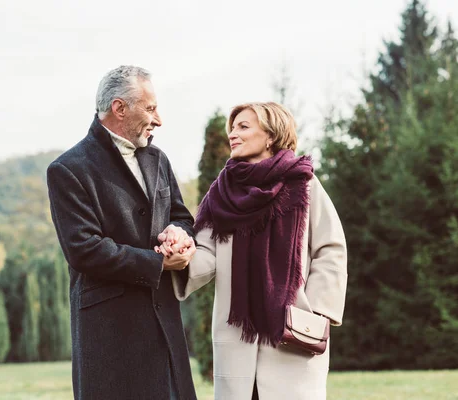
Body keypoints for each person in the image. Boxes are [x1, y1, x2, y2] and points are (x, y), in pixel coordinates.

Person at [160, 102, 347, 400]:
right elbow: (206, 252)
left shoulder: (304, 184)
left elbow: (331, 249)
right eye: (232, 128)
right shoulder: (221, 192)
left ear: (271, 134)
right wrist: (179, 258)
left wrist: (317, 311)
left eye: (243, 127)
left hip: (293, 334)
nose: (233, 134)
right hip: (237, 337)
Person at [47, 65, 198, 400]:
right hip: (110, 338)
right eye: (151, 108)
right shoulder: (68, 169)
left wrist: (180, 234)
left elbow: (181, 215)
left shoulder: (158, 159)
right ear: (119, 108)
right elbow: (84, 249)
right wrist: (158, 264)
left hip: (165, 328)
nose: (158, 119)